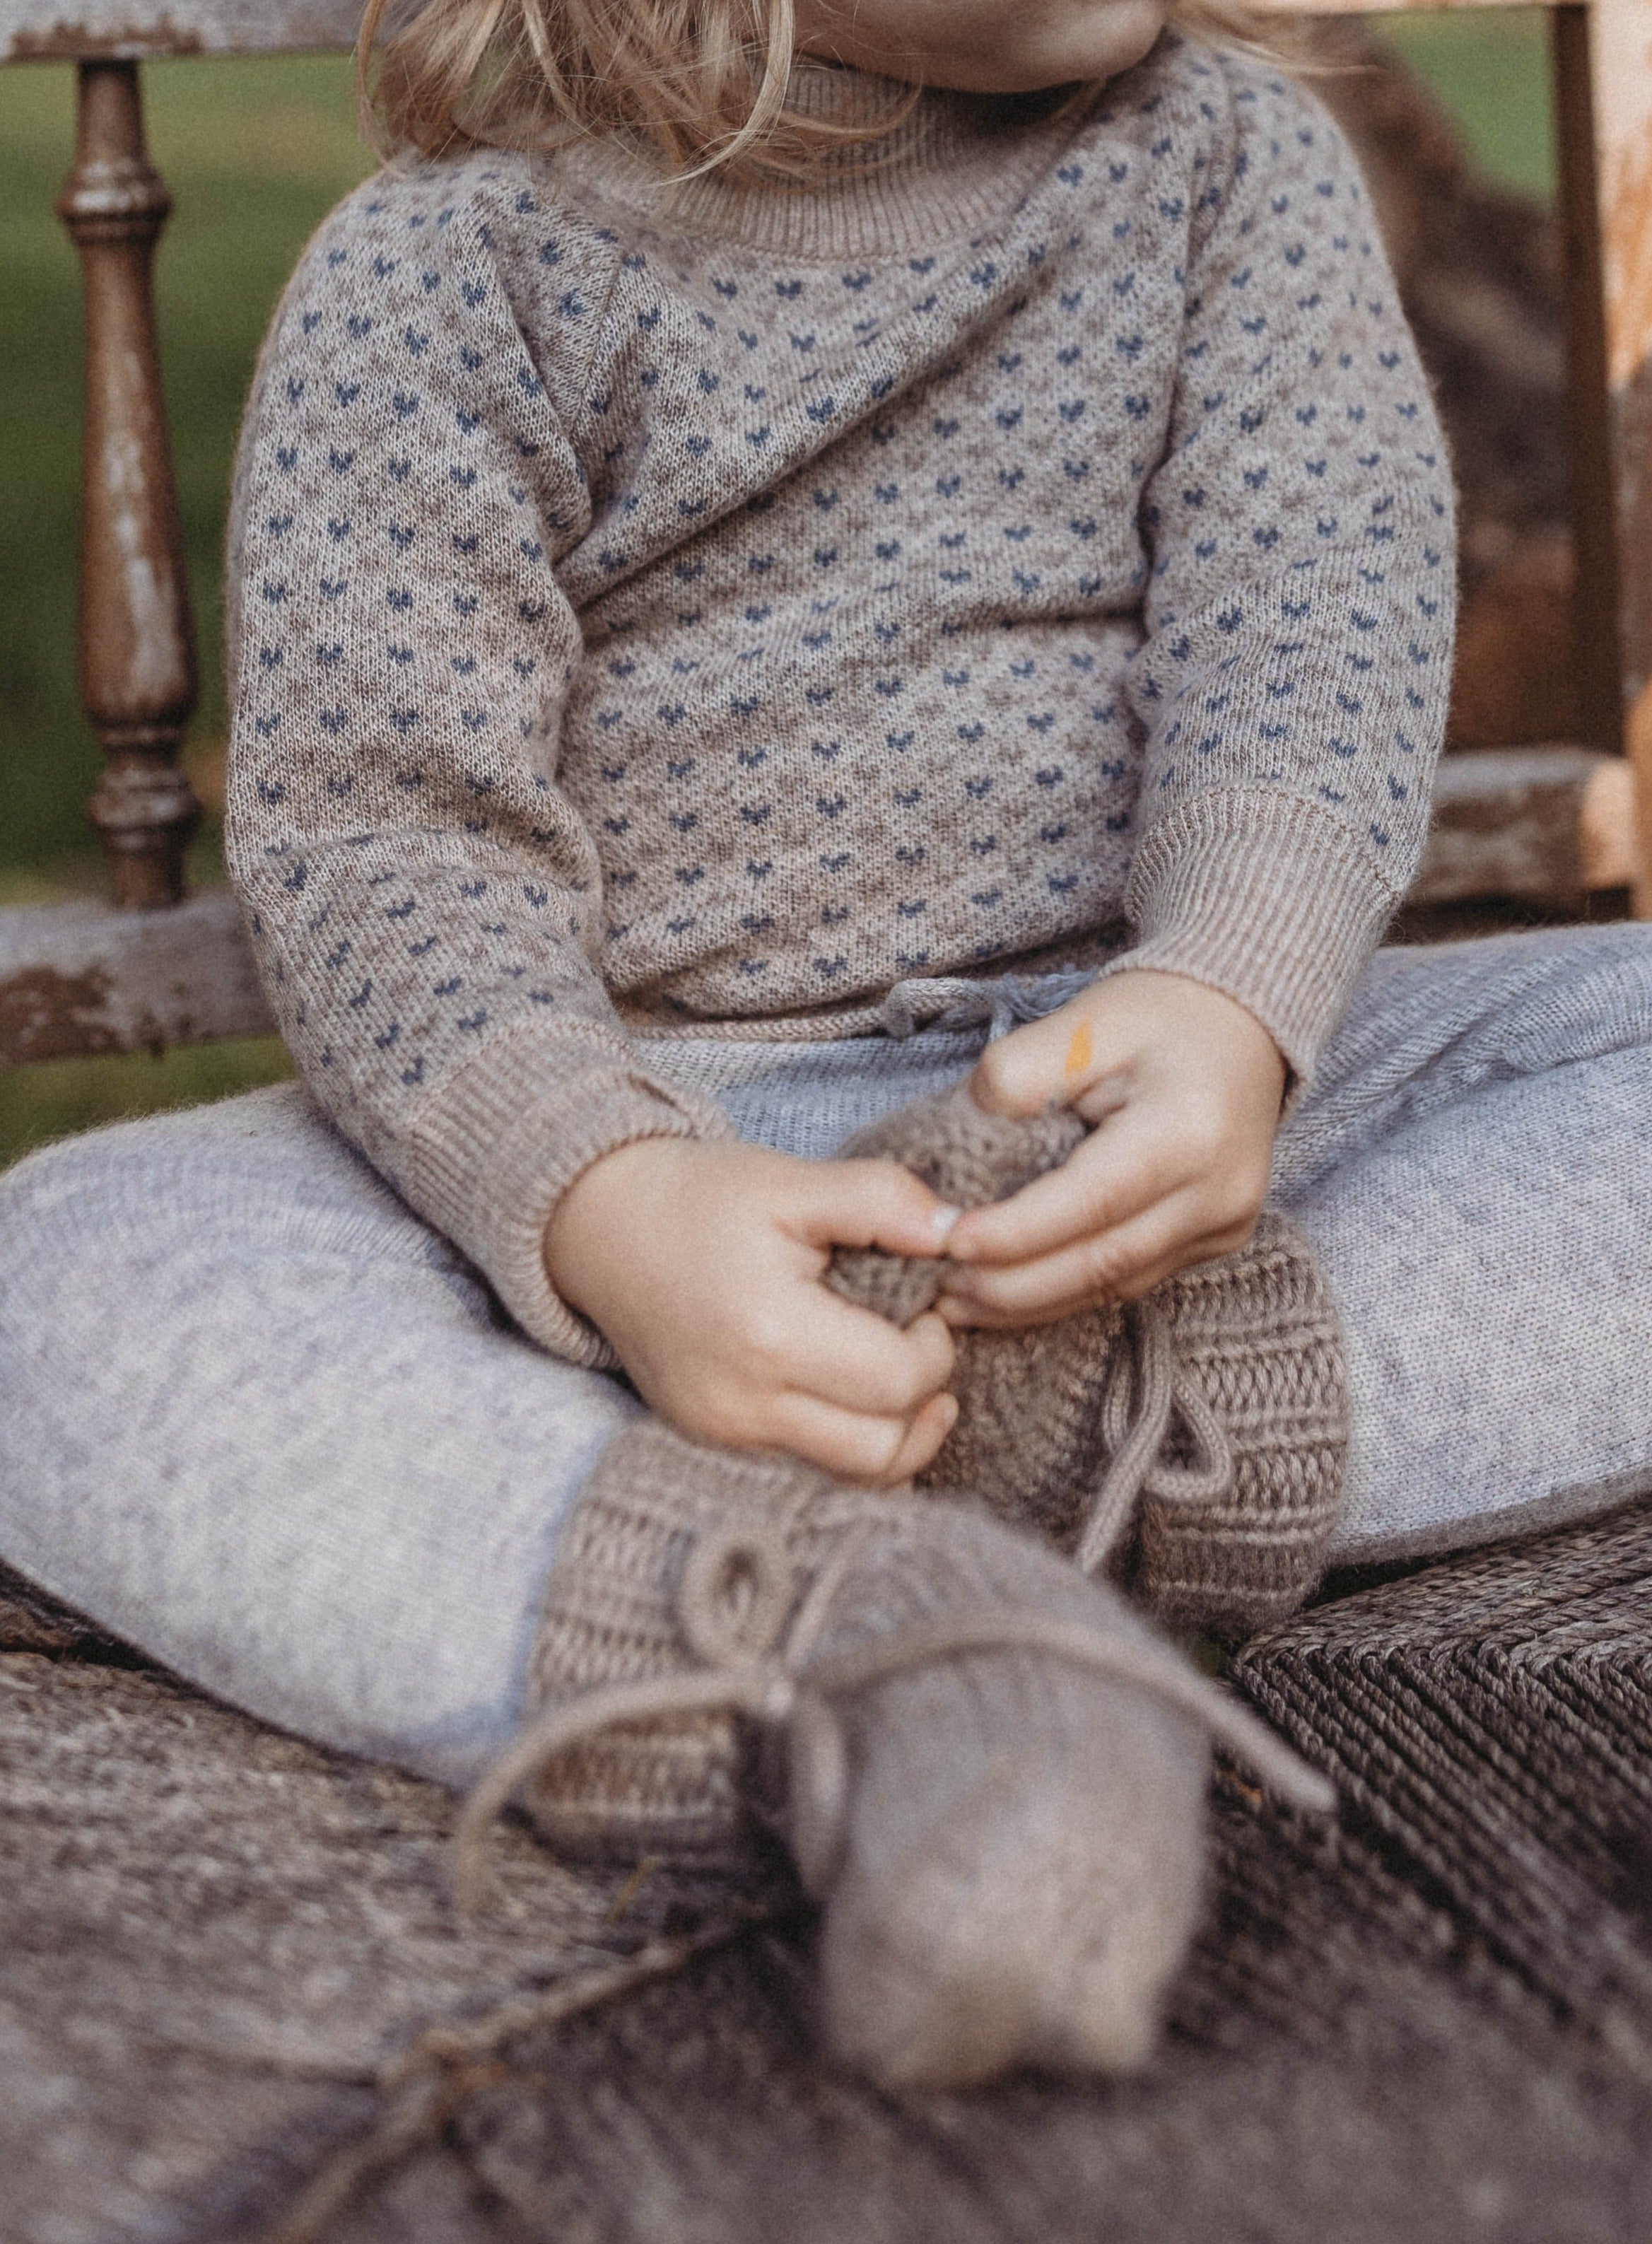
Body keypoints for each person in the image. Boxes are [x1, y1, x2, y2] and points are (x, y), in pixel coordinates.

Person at [4, 0, 1651, 2089]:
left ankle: (1101, 1415)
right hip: (665, 1141)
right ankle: (877, 1649)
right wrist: (605, 1203)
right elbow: (388, 834)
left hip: (1130, 1121)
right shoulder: (458, 270)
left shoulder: (1225, 161)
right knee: (52, 1283)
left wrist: (1229, 988)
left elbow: (1307, 623)